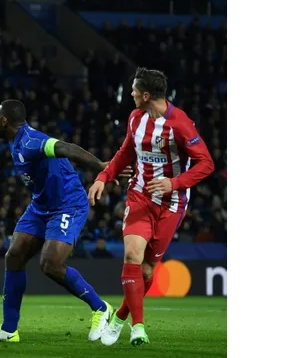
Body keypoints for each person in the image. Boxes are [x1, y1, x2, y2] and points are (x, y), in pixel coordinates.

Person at [88, 67, 214, 347]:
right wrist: (103, 177)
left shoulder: (180, 124)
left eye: (134, 90)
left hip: (172, 204)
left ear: (146, 95)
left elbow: (206, 163)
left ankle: (119, 317)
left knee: (146, 272)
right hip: (140, 196)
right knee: (132, 255)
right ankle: (138, 328)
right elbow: (126, 152)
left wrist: (174, 183)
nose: (131, 94)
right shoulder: (135, 118)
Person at [0, 99, 113, 343]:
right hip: (40, 205)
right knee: (14, 256)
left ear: (4, 121)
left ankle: (101, 308)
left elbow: (65, 147)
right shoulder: (16, 141)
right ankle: (9, 330)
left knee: (51, 264)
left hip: (68, 204)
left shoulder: (31, 141)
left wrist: (100, 166)